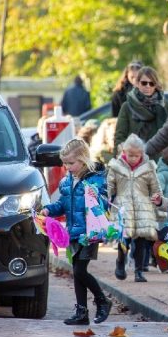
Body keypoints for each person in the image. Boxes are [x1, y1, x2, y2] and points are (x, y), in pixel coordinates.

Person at [39, 139, 112, 325]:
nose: (67, 167)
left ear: (83, 159)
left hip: (90, 233)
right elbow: (62, 204)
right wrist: (48, 210)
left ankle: (102, 300)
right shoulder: (66, 182)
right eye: (65, 163)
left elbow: (104, 205)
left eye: (71, 163)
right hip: (72, 232)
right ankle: (81, 312)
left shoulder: (96, 179)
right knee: (77, 272)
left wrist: (97, 196)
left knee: (80, 270)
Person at [107, 134, 162, 283]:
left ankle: (139, 271)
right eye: (130, 155)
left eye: (136, 155)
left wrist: (157, 198)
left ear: (141, 154)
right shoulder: (116, 167)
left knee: (141, 242)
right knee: (123, 238)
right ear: (124, 151)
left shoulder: (148, 167)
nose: (133, 158)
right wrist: (107, 196)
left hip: (143, 208)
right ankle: (121, 261)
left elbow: (155, 186)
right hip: (123, 207)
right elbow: (110, 185)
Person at [114, 66, 168, 153]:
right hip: (134, 156)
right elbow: (120, 136)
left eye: (152, 83)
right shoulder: (127, 106)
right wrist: (119, 154)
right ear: (137, 83)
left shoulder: (164, 105)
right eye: (144, 83)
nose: (148, 86)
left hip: (160, 155)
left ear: (155, 85)